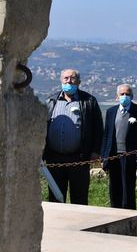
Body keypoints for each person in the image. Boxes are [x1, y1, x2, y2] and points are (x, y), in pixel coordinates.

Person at [43, 69, 103, 205]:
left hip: (79, 158)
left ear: (79, 82)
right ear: (61, 80)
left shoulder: (89, 101)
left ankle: (79, 225)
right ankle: (57, 224)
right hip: (54, 157)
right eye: (66, 78)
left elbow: (98, 128)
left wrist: (95, 151)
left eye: (72, 78)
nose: (69, 81)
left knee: (79, 196)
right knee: (55, 196)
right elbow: (43, 126)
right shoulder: (51, 101)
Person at [101, 84, 137, 209]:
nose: (125, 96)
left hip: (128, 154)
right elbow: (107, 134)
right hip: (113, 155)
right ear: (117, 97)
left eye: (127, 94)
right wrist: (104, 155)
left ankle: (129, 212)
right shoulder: (111, 111)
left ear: (132, 96)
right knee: (114, 186)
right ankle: (115, 210)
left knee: (128, 186)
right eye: (122, 94)